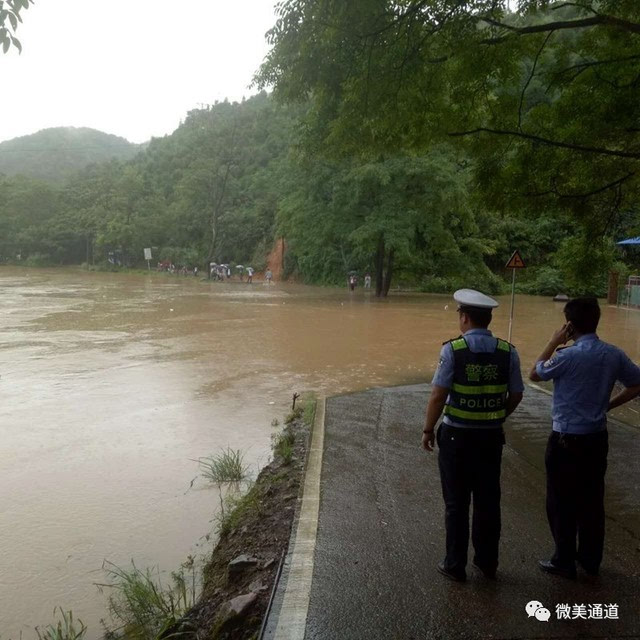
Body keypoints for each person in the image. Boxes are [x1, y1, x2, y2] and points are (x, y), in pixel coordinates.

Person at [529, 297, 640, 579]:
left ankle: (563, 560)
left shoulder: (566, 356)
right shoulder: (614, 354)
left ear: (569, 326)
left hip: (565, 440)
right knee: (591, 500)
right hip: (596, 439)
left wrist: (554, 342)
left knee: (560, 500)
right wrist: (609, 405)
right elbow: (637, 383)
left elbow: (534, 373)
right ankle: (590, 561)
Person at [423, 289, 524, 582]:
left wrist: (428, 429)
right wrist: (497, 414)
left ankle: (455, 565)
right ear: (488, 318)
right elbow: (516, 393)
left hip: (456, 438)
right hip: (491, 439)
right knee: (488, 501)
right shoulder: (508, 351)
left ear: (464, 318)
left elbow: (438, 395)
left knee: (456, 504)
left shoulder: (452, 350)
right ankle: (487, 562)